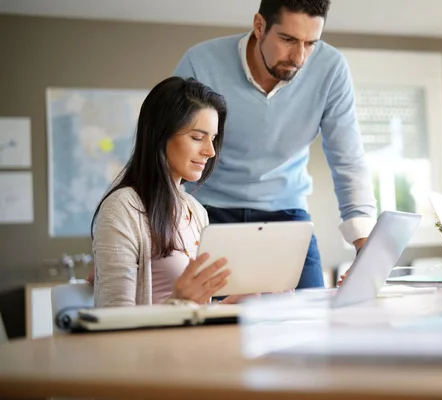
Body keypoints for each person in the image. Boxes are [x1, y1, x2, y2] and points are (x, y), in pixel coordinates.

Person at [173, 0, 377, 289]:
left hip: (287, 212)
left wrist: (365, 244)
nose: (299, 57)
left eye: (311, 43)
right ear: (259, 26)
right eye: (287, 39)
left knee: (308, 319)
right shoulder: (201, 62)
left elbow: (348, 159)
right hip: (207, 211)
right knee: (216, 326)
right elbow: (160, 144)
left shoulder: (330, 69)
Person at [91, 76, 240, 307]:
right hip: (149, 345)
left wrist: (230, 305)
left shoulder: (196, 211)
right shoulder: (122, 209)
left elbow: (194, 312)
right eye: (197, 137)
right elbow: (114, 320)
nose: (210, 151)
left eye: (213, 139)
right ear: (161, 136)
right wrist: (179, 301)